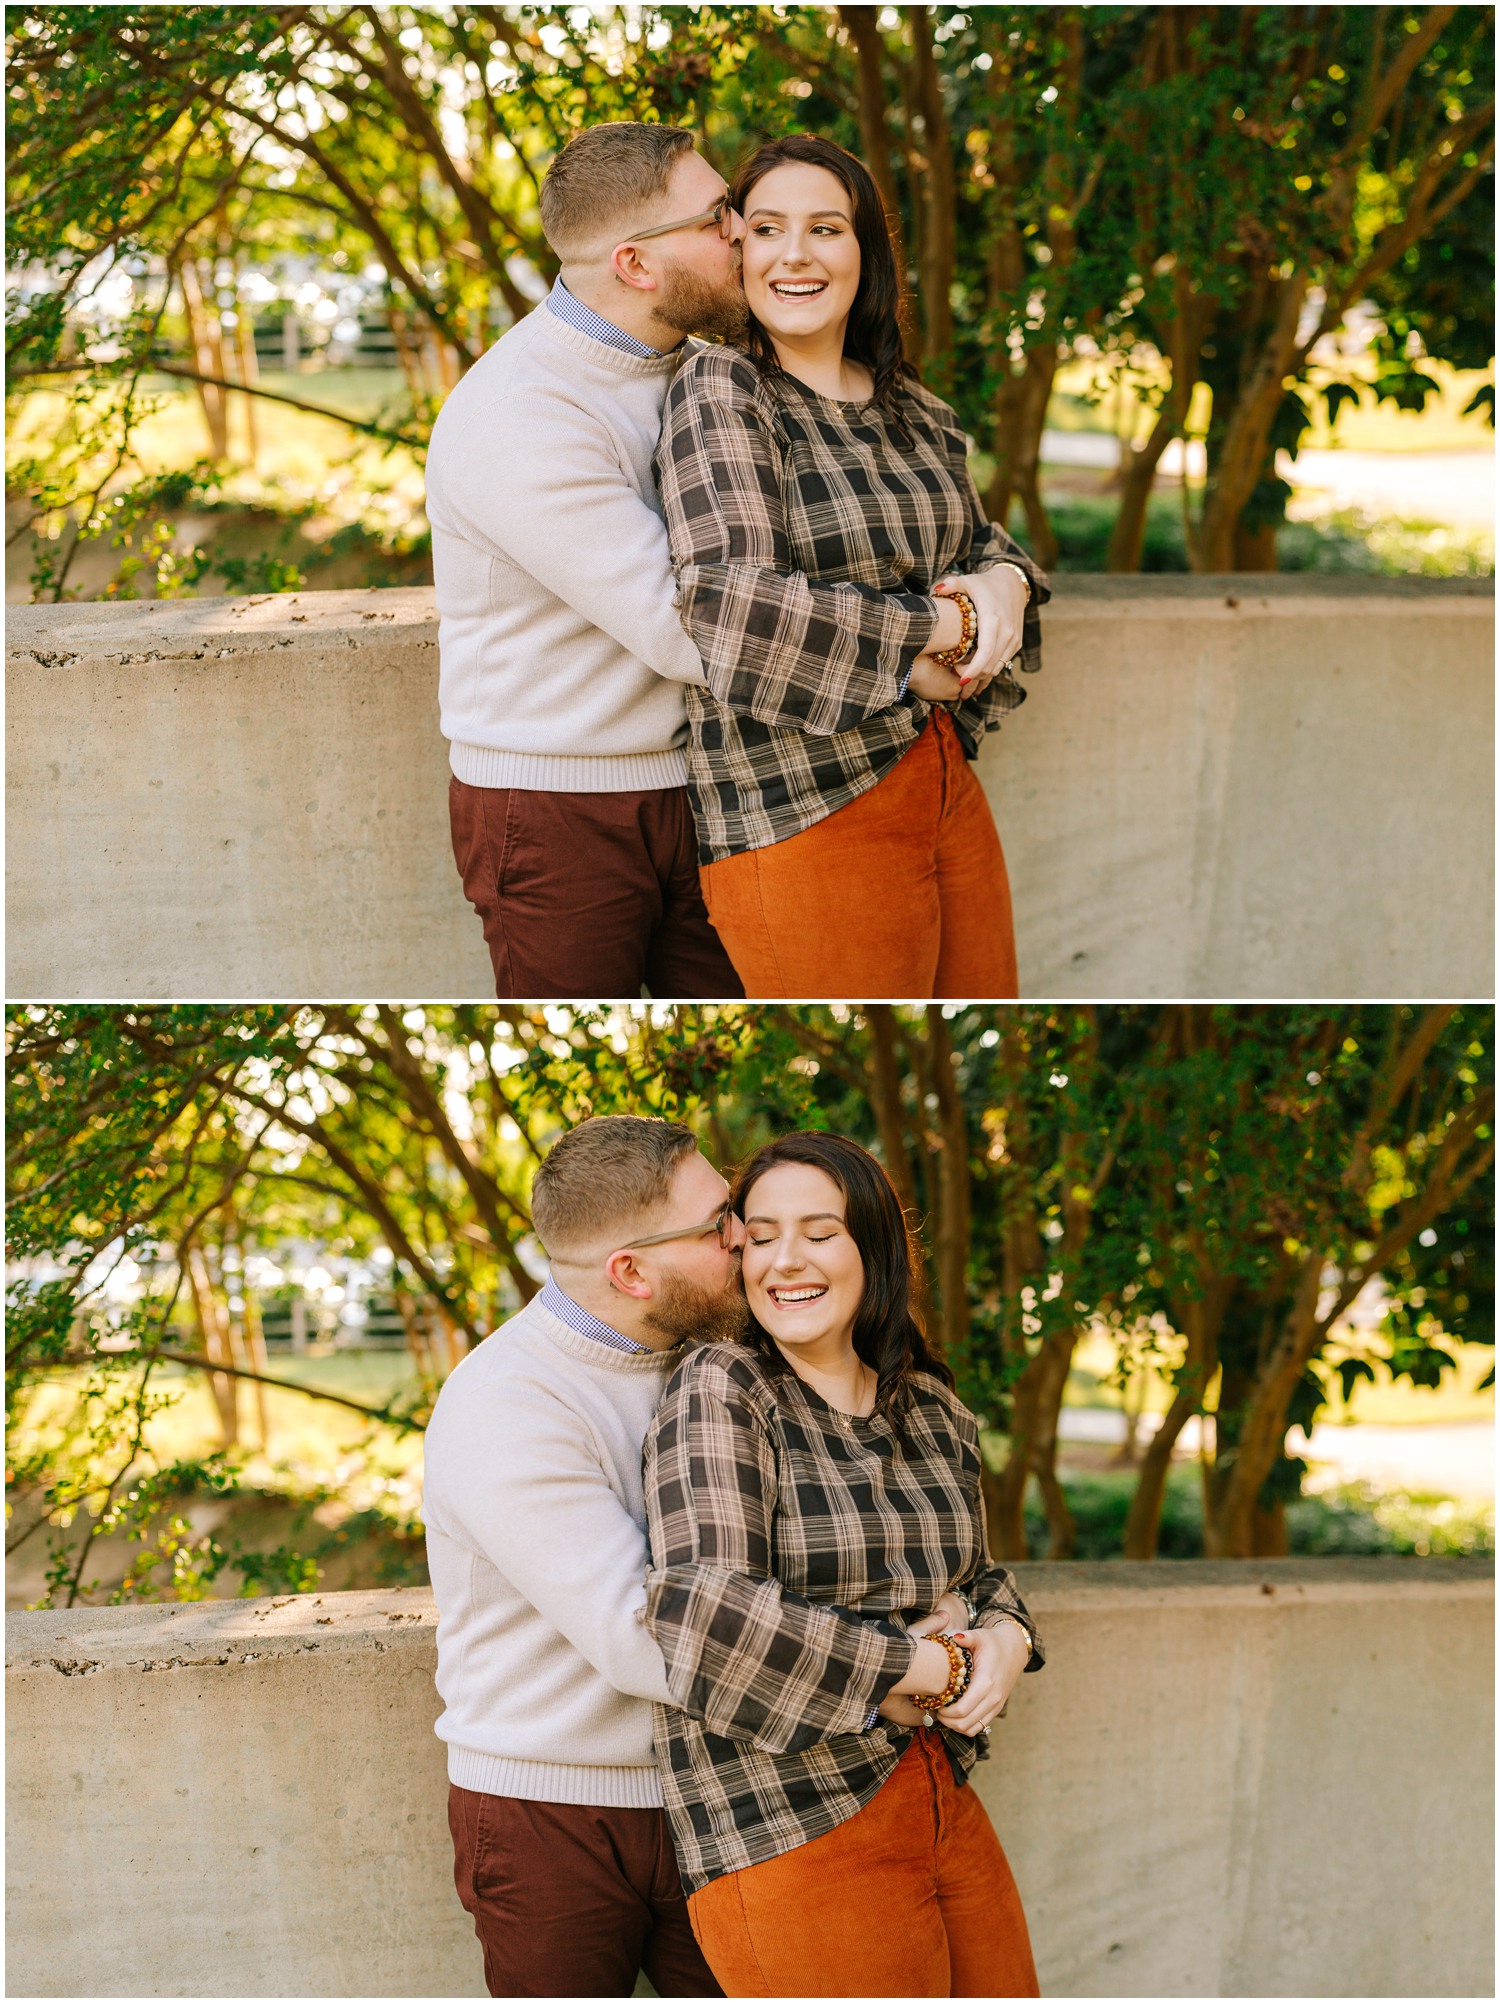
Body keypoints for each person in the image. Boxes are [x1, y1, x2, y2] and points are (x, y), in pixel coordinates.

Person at [422, 1114, 971, 1997]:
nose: (747, 1238)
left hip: (717, 1793)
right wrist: (908, 1667)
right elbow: (654, 1638)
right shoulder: (506, 1404)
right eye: (722, 1224)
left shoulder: (728, 1363)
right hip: (557, 1812)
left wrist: (976, 1619)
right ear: (631, 1271)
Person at [643, 1131, 1044, 1999]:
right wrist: (924, 1662)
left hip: (938, 1792)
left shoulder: (931, 1406)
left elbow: (976, 1578)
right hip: (788, 1818)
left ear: (874, 1247)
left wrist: (1006, 1637)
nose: (786, 1259)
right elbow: (710, 1612)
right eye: (761, 1232)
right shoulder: (724, 1385)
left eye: (820, 1232)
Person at [654, 134, 1051, 999]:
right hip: (802, 806)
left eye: (826, 228)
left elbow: (990, 547)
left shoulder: (916, 407)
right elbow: (736, 609)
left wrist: (1005, 587)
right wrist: (949, 630)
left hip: (944, 781)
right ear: (738, 251)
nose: (796, 254)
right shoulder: (723, 389)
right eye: (767, 229)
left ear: (863, 253)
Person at [425, 122, 748, 1000]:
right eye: (719, 216)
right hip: (554, 809)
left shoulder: (709, 371)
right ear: (638, 266)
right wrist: (923, 638)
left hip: (700, 788)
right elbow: (689, 631)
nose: (745, 231)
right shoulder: (520, 414)